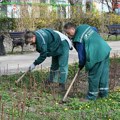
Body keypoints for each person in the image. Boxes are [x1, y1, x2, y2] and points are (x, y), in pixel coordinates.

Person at [64, 22, 111, 100]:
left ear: (73, 29)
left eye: (68, 33)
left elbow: (82, 56)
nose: (68, 35)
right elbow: (95, 29)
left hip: (96, 54)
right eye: (67, 34)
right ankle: (104, 94)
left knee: (93, 76)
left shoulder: (78, 39)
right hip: (105, 50)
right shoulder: (85, 27)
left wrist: (81, 65)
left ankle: (91, 97)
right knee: (103, 73)